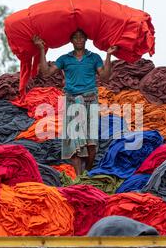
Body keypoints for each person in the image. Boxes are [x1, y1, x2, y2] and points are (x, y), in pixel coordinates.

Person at [32, 29, 118, 176]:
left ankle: (88, 171)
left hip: (90, 100)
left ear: (86, 40)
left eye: (81, 37)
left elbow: (104, 77)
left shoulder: (94, 58)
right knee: (72, 141)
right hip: (71, 101)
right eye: (75, 37)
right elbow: (46, 73)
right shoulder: (64, 59)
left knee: (91, 143)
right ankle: (79, 177)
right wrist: (41, 49)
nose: (78, 40)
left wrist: (109, 55)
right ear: (71, 41)